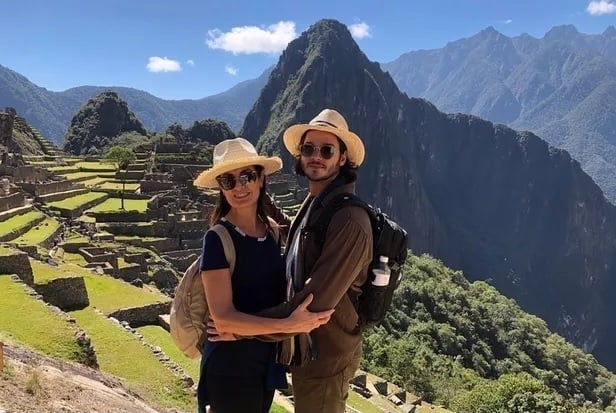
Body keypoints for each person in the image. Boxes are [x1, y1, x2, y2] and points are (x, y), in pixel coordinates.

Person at [213, 109, 373, 413]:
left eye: (327, 150)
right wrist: (253, 190)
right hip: (307, 349)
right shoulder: (318, 202)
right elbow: (298, 235)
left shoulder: (350, 220)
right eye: (309, 149)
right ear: (300, 155)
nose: (316, 156)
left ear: (342, 159)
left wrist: (242, 327)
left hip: (325, 357)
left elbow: (312, 306)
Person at [193, 137, 334, 413]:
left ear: (260, 179)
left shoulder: (270, 230)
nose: (238, 187)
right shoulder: (218, 239)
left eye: (246, 177)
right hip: (231, 368)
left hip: (265, 362)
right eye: (228, 181)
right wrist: (289, 326)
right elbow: (223, 318)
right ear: (221, 189)